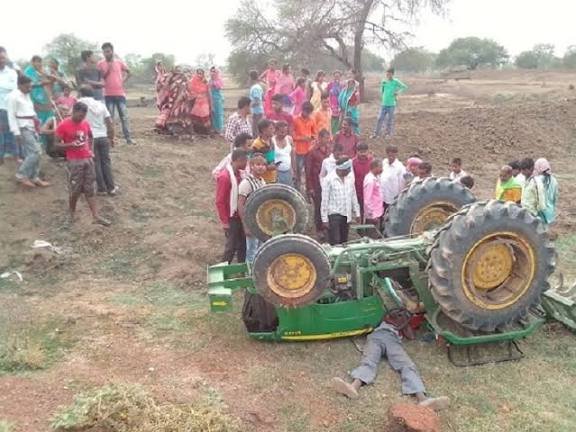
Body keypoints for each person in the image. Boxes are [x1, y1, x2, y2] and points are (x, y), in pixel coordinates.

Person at [331, 315, 450, 412]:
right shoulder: (382, 315)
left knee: (406, 365)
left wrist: (406, 325)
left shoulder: (409, 321)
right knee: (368, 361)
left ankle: (423, 399)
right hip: (376, 336)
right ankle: (353, 387)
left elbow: (411, 335)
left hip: (392, 339)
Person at [55, 102, 110, 226]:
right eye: (80, 116)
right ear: (74, 111)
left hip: (87, 159)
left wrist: (91, 150)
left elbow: (90, 137)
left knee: (90, 189)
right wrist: (70, 145)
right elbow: (56, 144)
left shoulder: (85, 123)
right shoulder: (63, 125)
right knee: (75, 190)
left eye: (84, 116)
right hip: (74, 161)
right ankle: (71, 215)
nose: (81, 118)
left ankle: (96, 216)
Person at [7, 75, 50, 188]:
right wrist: (16, 132)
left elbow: (30, 109)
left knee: (36, 152)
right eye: (27, 87)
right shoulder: (13, 96)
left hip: (32, 125)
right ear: (20, 85)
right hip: (23, 127)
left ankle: (34, 177)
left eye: (30, 86)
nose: (30, 89)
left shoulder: (26, 94)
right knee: (35, 152)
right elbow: (11, 115)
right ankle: (21, 174)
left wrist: (36, 121)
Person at [77, 86, 117, 196]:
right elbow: (109, 122)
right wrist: (111, 137)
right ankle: (111, 187)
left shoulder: (80, 103)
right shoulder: (101, 105)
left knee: (96, 163)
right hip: (103, 136)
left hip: (90, 137)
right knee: (106, 162)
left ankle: (102, 188)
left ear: (81, 93)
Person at [216, 149, 249, 263]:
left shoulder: (239, 175)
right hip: (231, 217)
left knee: (242, 244)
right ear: (239, 160)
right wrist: (225, 222)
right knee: (231, 246)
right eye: (245, 161)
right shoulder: (225, 177)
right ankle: (223, 268)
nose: (246, 164)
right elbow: (220, 201)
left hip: (238, 215)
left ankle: (241, 268)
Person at [98, 42, 134, 144]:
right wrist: (107, 70)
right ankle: (111, 139)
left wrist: (123, 81)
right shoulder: (100, 64)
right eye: (105, 52)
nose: (107, 53)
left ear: (112, 51)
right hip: (108, 94)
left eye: (108, 51)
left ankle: (128, 138)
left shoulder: (119, 62)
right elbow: (99, 77)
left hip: (120, 93)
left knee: (124, 116)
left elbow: (129, 72)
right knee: (110, 118)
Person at [321, 158, 360, 246]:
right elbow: (324, 200)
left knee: (344, 241)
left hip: (346, 214)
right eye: (348, 169)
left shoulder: (349, 179)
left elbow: (353, 196)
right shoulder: (329, 180)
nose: (350, 171)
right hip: (334, 215)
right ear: (342, 169)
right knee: (335, 240)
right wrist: (324, 219)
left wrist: (357, 212)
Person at [238, 153, 268, 263]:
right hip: (251, 222)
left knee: (261, 250)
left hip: (261, 223)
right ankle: (249, 272)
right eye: (258, 164)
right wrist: (245, 225)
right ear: (251, 166)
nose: (261, 167)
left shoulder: (262, 181)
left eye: (263, 165)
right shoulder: (246, 183)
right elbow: (240, 204)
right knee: (251, 252)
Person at [306, 129, 331, 238]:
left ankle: (326, 227)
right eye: (326, 138)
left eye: (328, 138)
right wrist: (310, 187)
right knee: (318, 206)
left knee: (328, 205)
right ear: (320, 138)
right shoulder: (312, 152)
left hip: (328, 183)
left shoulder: (329, 150)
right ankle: (319, 229)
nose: (328, 140)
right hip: (316, 183)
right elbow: (308, 170)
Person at [522, 158, 558, 225]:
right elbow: (555, 197)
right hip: (549, 209)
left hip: (539, 210)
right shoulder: (554, 180)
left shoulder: (536, 179)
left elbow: (538, 196)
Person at [372, 67, 407, 138]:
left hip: (391, 104)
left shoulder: (395, 81)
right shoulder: (384, 81)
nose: (388, 75)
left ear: (392, 74)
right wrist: (383, 97)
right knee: (380, 119)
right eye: (387, 74)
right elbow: (382, 91)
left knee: (389, 120)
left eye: (389, 74)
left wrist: (397, 92)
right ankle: (376, 134)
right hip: (384, 104)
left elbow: (404, 87)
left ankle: (387, 134)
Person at [292, 101, 317, 190]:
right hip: (298, 150)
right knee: (298, 170)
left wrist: (312, 137)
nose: (308, 114)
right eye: (307, 112)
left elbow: (315, 133)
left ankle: (308, 189)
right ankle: (297, 188)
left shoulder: (312, 120)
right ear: (302, 110)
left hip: (309, 150)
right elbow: (292, 136)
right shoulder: (295, 120)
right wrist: (302, 138)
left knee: (308, 171)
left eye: (309, 113)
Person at [0, 47, 18, 165]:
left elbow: (14, 88)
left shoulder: (11, 72)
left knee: (11, 131)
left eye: (3, 58)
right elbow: (9, 88)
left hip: (9, 107)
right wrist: (6, 87)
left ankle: (12, 155)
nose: (1, 60)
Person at [24, 55, 54, 125]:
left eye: (40, 62)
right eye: (37, 62)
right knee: (38, 116)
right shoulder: (28, 71)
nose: (39, 64)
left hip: (44, 96)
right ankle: (40, 129)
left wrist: (45, 75)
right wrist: (41, 83)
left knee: (49, 114)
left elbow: (49, 80)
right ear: (32, 62)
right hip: (34, 97)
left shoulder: (41, 70)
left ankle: (47, 128)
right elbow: (28, 84)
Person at [250, 119, 277, 184]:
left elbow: (272, 159)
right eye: (271, 128)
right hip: (262, 180)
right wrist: (267, 167)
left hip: (272, 177)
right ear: (263, 130)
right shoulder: (257, 144)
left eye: (273, 128)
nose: (273, 130)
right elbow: (253, 163)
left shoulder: (271, 142)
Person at [382, 145, 406, 211]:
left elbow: (402, 184)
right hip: (382, 197)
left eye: (393, 153)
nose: (391, 155)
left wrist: (399, 198)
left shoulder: (400, 168)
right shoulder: (384, 163)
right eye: (389, 153)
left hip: (392, 198)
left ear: (396, 154)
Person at [363, 159, 384, 237]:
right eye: (380, 167)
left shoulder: (376, 178)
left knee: (375, 235)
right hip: (373, 215)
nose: (382, 169)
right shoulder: (370, 180)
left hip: (377, 212)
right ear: (375, 167)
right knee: (372, 236)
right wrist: (372, 215)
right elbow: (367, 199)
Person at [353, 142, 373, 218]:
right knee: (359, 214)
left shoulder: (372, 161)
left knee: (370, 215)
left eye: (365, 152)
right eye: (361, 152)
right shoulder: (353, 163)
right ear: (357, 151)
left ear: (368, 151)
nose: (363, 154)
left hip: (370, 192)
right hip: (358, 193)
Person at [273, 121, 295, 186]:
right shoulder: (272, 141)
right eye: (282, 132)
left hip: (288, 171)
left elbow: (292, 155)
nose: (284, 134)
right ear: (276, 131)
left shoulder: (289, 139)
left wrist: (293, 169)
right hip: (276, 172)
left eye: (286, 132)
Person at [249, 70, 264, 137]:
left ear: (250, 78)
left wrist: (249, 106)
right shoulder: (258, 87)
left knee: (256, 130)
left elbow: (257, 101)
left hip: (257, 112)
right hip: (258, 111)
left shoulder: (255, 88)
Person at [209, 67, 225, 134]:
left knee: (219, 113)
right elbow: (209, 90)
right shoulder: (210, 81)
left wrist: (214, 83)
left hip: (218, 98)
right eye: (212, 71)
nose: (213, 73)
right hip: (211, 98)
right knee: (213, 113)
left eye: (214, 71)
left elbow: (219, 87)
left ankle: (220, 129)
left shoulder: (219, 80)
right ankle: (215, 128)